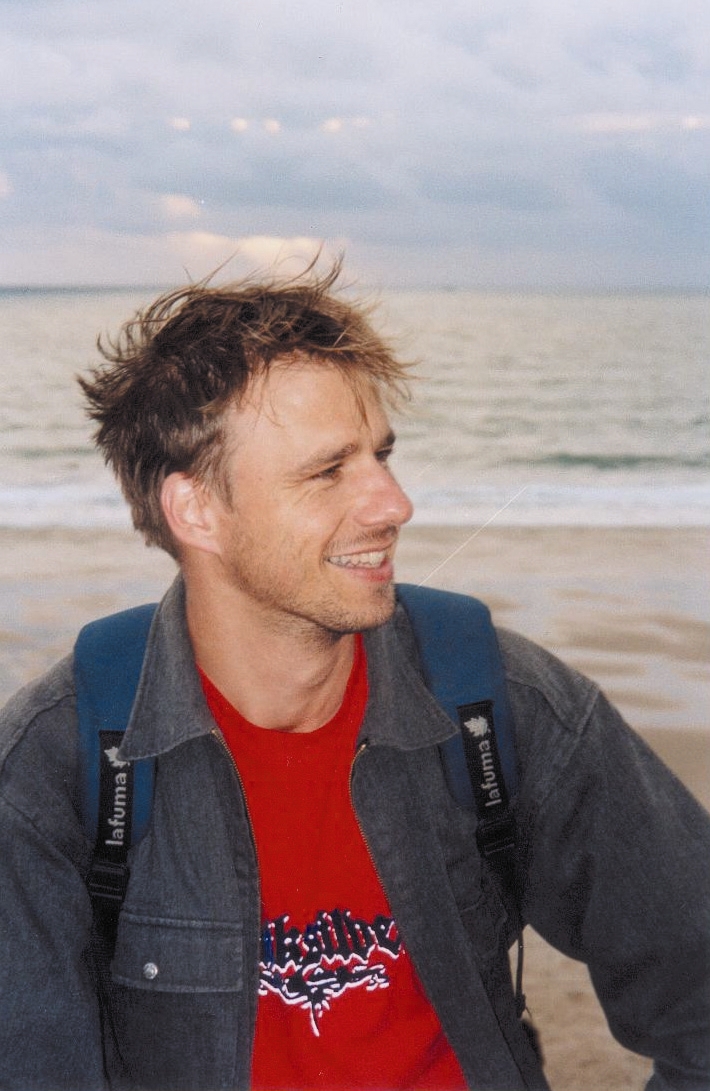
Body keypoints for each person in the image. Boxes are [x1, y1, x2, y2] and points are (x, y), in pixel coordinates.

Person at [0, 261, 708, 1091]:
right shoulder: (58, 767)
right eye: (328, 471)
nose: (394, 503)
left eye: (382, 455)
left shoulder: (496, 703)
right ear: (196, 510)